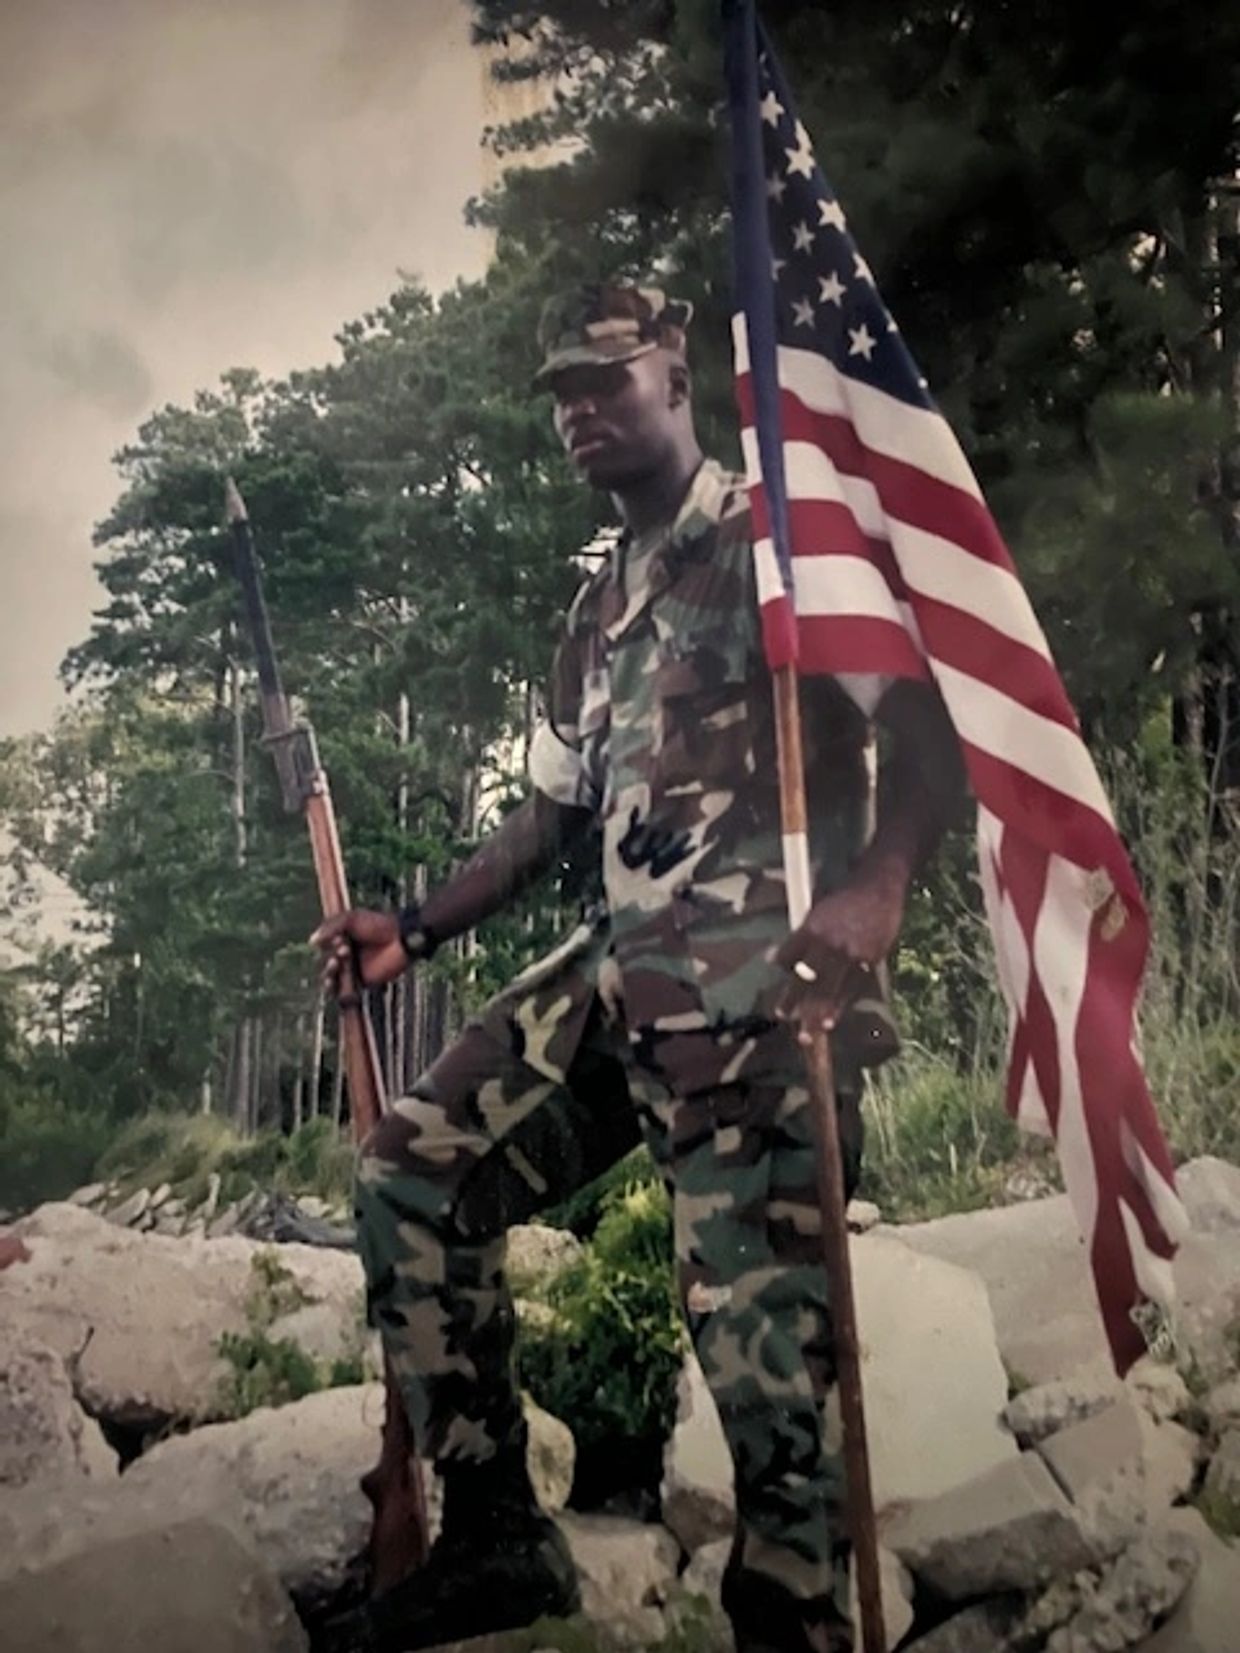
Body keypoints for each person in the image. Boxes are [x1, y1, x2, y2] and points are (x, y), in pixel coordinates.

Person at [314, 282, 962, 1653]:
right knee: (411, 1167)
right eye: (563, 399)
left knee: (763, 1362)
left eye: (609, 383)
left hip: (761, 1003)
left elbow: (924, 725)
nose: (582, 416)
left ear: (678, 374)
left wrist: (879, 885)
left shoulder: (778, 546)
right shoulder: (596, 604)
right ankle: (497, 1537)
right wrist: (412, 925)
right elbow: (552, 814)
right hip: (617, 984)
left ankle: (791, 1620)